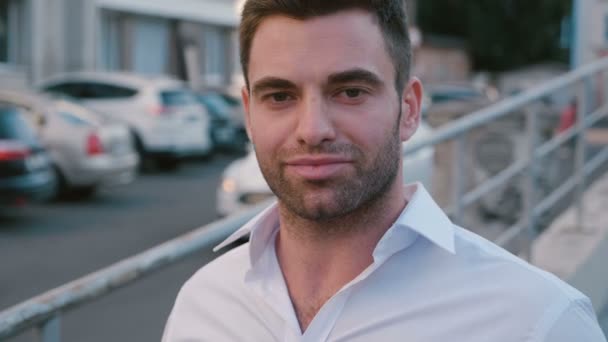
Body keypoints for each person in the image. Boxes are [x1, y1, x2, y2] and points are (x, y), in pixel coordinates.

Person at [162, 1, 607, 341]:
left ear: (409, 108)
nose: (312, 129)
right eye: (279, 96)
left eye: (350, 91)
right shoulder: (202, 306)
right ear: (248, 113)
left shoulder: (538, 321)